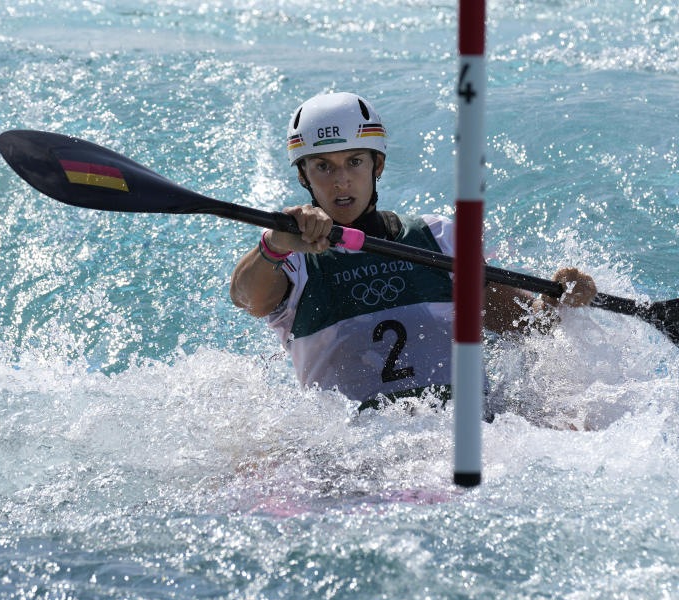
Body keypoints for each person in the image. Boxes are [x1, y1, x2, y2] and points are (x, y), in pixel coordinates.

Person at [230, 92, 596, 409]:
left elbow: (528, 327)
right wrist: (274, 245)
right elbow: (246, 299)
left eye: (355, 161)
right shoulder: (287, 256)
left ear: (379, 165)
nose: (341, 180)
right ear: (303, 177)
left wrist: (558, 297)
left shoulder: (438, 238)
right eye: (323, 166)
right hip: (356, 459)